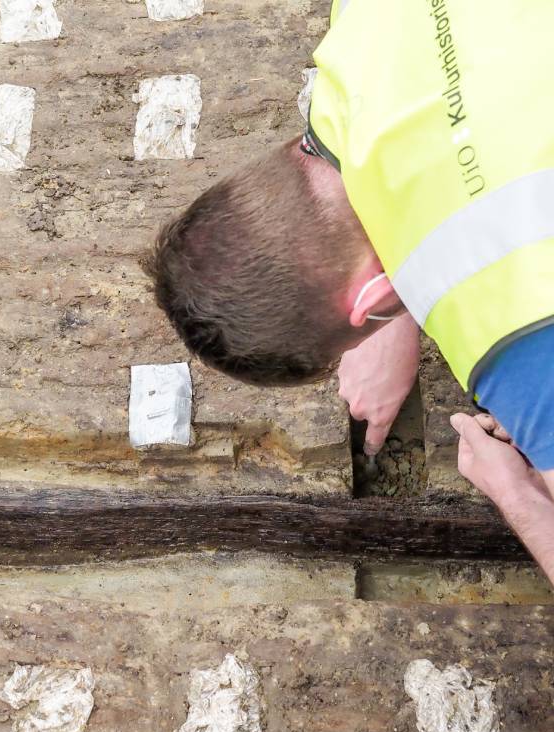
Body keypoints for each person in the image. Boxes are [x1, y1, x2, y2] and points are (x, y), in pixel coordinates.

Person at [144, 0, 554, 580]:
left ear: (372, 299)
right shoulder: (366, 24)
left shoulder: (514, 325)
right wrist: (396, 307)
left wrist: (517, 494)